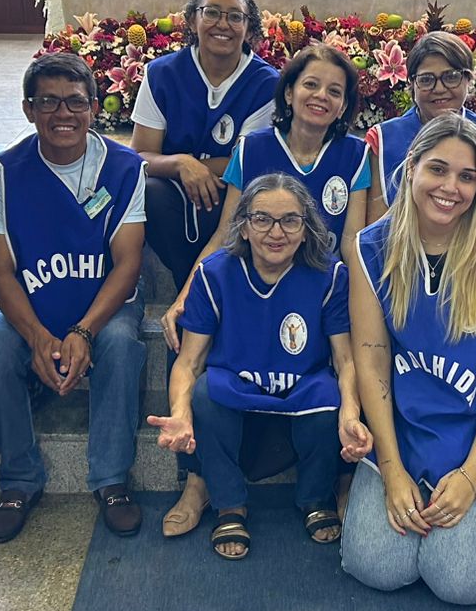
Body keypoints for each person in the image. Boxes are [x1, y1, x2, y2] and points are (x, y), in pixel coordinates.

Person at [341, 114, 476, 605]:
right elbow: (372, 360)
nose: (451, 187)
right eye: (438, 169)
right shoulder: (371, 249)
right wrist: (391, 469)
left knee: (458, 582)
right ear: (411, 167)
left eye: (467, 176)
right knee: (375, 566)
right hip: (411, 413)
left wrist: (471, 476)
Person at [147, 175, 371, 559]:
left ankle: (315, 496)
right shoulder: (214, 273)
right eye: (262, 219)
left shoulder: (330, 275)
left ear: (306, 228)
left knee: (328, 395)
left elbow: (345, 359)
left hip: (301, 386)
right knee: (204, 394)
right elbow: (189, 361)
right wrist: (180, 414)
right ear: (244, 227)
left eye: (290, 220)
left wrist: (350, 415)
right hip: (237, 384)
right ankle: (229, 504)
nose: (276, 232)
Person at [0, 53, 148, 543]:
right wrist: (36, 336)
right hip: (35, 303)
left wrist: (82, 332)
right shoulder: (5, 170)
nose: (63, 114)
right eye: (48, 102)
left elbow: (128, 264)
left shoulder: (124, 167)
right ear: (28, 109)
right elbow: (0, 269)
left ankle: (111, 479)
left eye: (75, 102)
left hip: (103, 304)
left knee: (120, 346)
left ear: (94, 107)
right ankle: (18, 479)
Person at [160, 43, 370, 351]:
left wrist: (360, 305)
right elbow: (226, 233)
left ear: (343, 106)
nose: (321, 96)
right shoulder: (251, 149)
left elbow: (351, 243)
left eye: (334, 91)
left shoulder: (357, 155)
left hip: (318, 288)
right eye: (311, 84)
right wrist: (185, 295)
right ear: (289, 93)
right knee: (187, 324)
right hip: (255, 280)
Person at [130, 0, 279, 286]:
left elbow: (246, 162)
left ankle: (205, 290)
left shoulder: (266, 84)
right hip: (172, 188)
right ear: (191, 20)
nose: (222, 24)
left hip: (232, 190)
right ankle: (193, 287)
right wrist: (181, 164)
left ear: (249, 29)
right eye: (211, 12)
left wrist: (198, 167)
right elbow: (140, 155)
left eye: (235, 16)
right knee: (149, 193)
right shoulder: (161, 74)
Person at [365, 30, 476, 224]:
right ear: (412, 85)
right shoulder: (384, 139)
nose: (439, 88)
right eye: (426, 80)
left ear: (468, 80)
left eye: (451, 77)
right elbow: (377, 225)